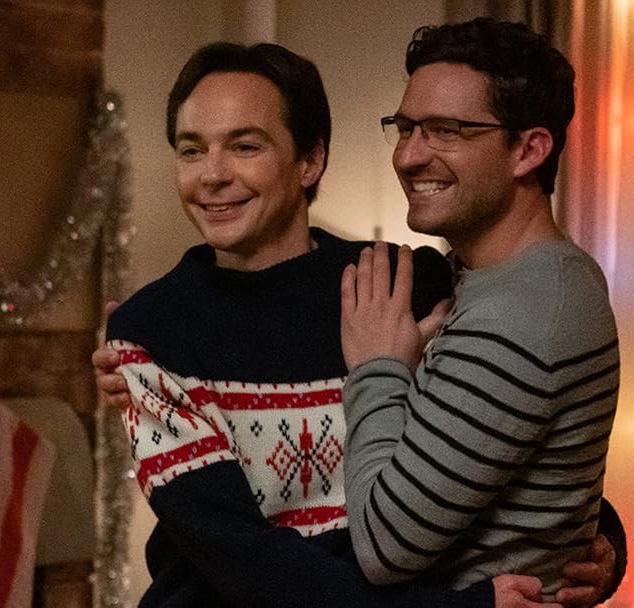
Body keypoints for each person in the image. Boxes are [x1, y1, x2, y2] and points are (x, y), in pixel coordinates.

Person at [93, 40, 624, 607]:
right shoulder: (153, 332)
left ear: (310, 161)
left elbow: (491, 443)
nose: (213, 175)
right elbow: (247, 563)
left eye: (245, 146)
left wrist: (592, 537)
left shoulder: (404, 284)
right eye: (191, 150)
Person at [338, 18, 622, 600]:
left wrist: (376, 370)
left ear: (528, 149)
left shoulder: (523, 311)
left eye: (446, 131)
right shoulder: (519, 279)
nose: (408, 156)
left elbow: (385, 548)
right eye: (406, 127)